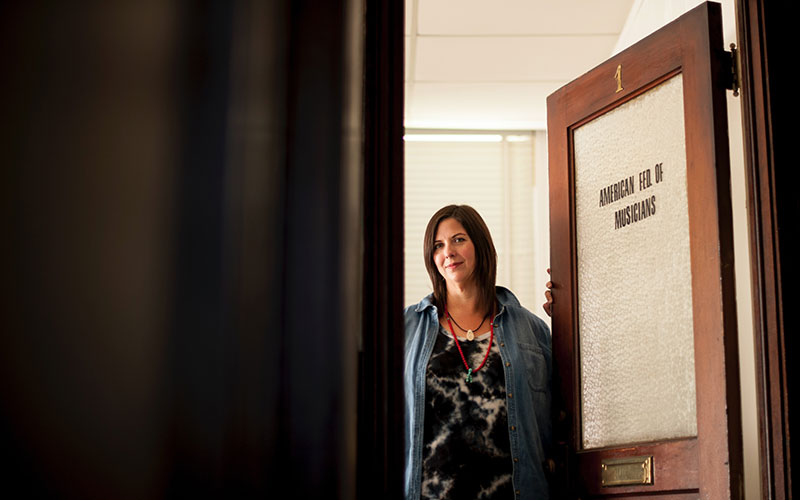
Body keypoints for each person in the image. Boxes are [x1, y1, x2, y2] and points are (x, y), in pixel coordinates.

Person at [404, 205, 553, 500]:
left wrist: (572, 312)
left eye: (458, 239)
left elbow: (559, 419)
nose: (448, 251)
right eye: (438, 245)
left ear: (480, 246)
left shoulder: (531, 329)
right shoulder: (407, 328)